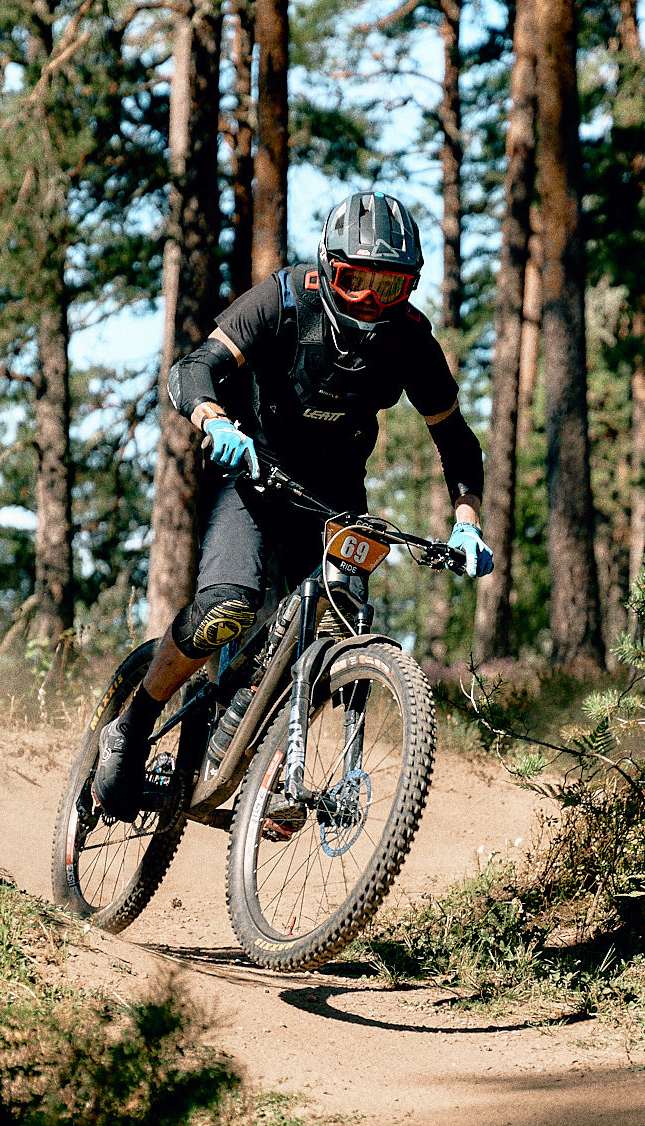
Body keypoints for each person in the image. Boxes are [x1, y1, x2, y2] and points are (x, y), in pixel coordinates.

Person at [92, 191, 494, 820]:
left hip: (335, 497)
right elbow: (193, 367)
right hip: (253, 476)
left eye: (389, 287)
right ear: (328, 269)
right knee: (226, 608)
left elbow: (457, 441)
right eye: (355, 281)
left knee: (337, 623)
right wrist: (213, 419)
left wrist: (466, 522)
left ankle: (273, 766)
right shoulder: (284, 299)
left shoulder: (412, 340)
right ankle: (134, 724)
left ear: (411, 287)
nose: (370, 301)